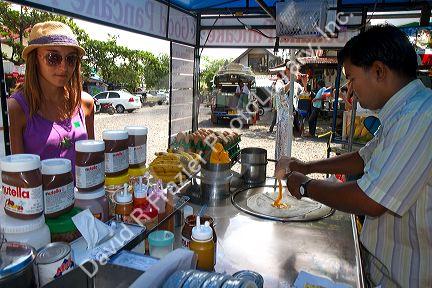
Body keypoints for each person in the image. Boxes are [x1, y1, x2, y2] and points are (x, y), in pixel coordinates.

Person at [275, 25, 431, 287]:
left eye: (353, 78)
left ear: (379, 71)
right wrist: (307, 165)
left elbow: (370, 200)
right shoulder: (402, 113)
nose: (350, 89)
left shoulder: (420, 117)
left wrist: (304, 186)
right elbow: (363, 157)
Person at [8, 21, 95, 174]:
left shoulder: (85, 103)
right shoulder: (16, 109)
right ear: (35, 59)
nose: (63, 67)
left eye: (71, 59)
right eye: (53, 58)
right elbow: (19, 179)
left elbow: (92, 163)